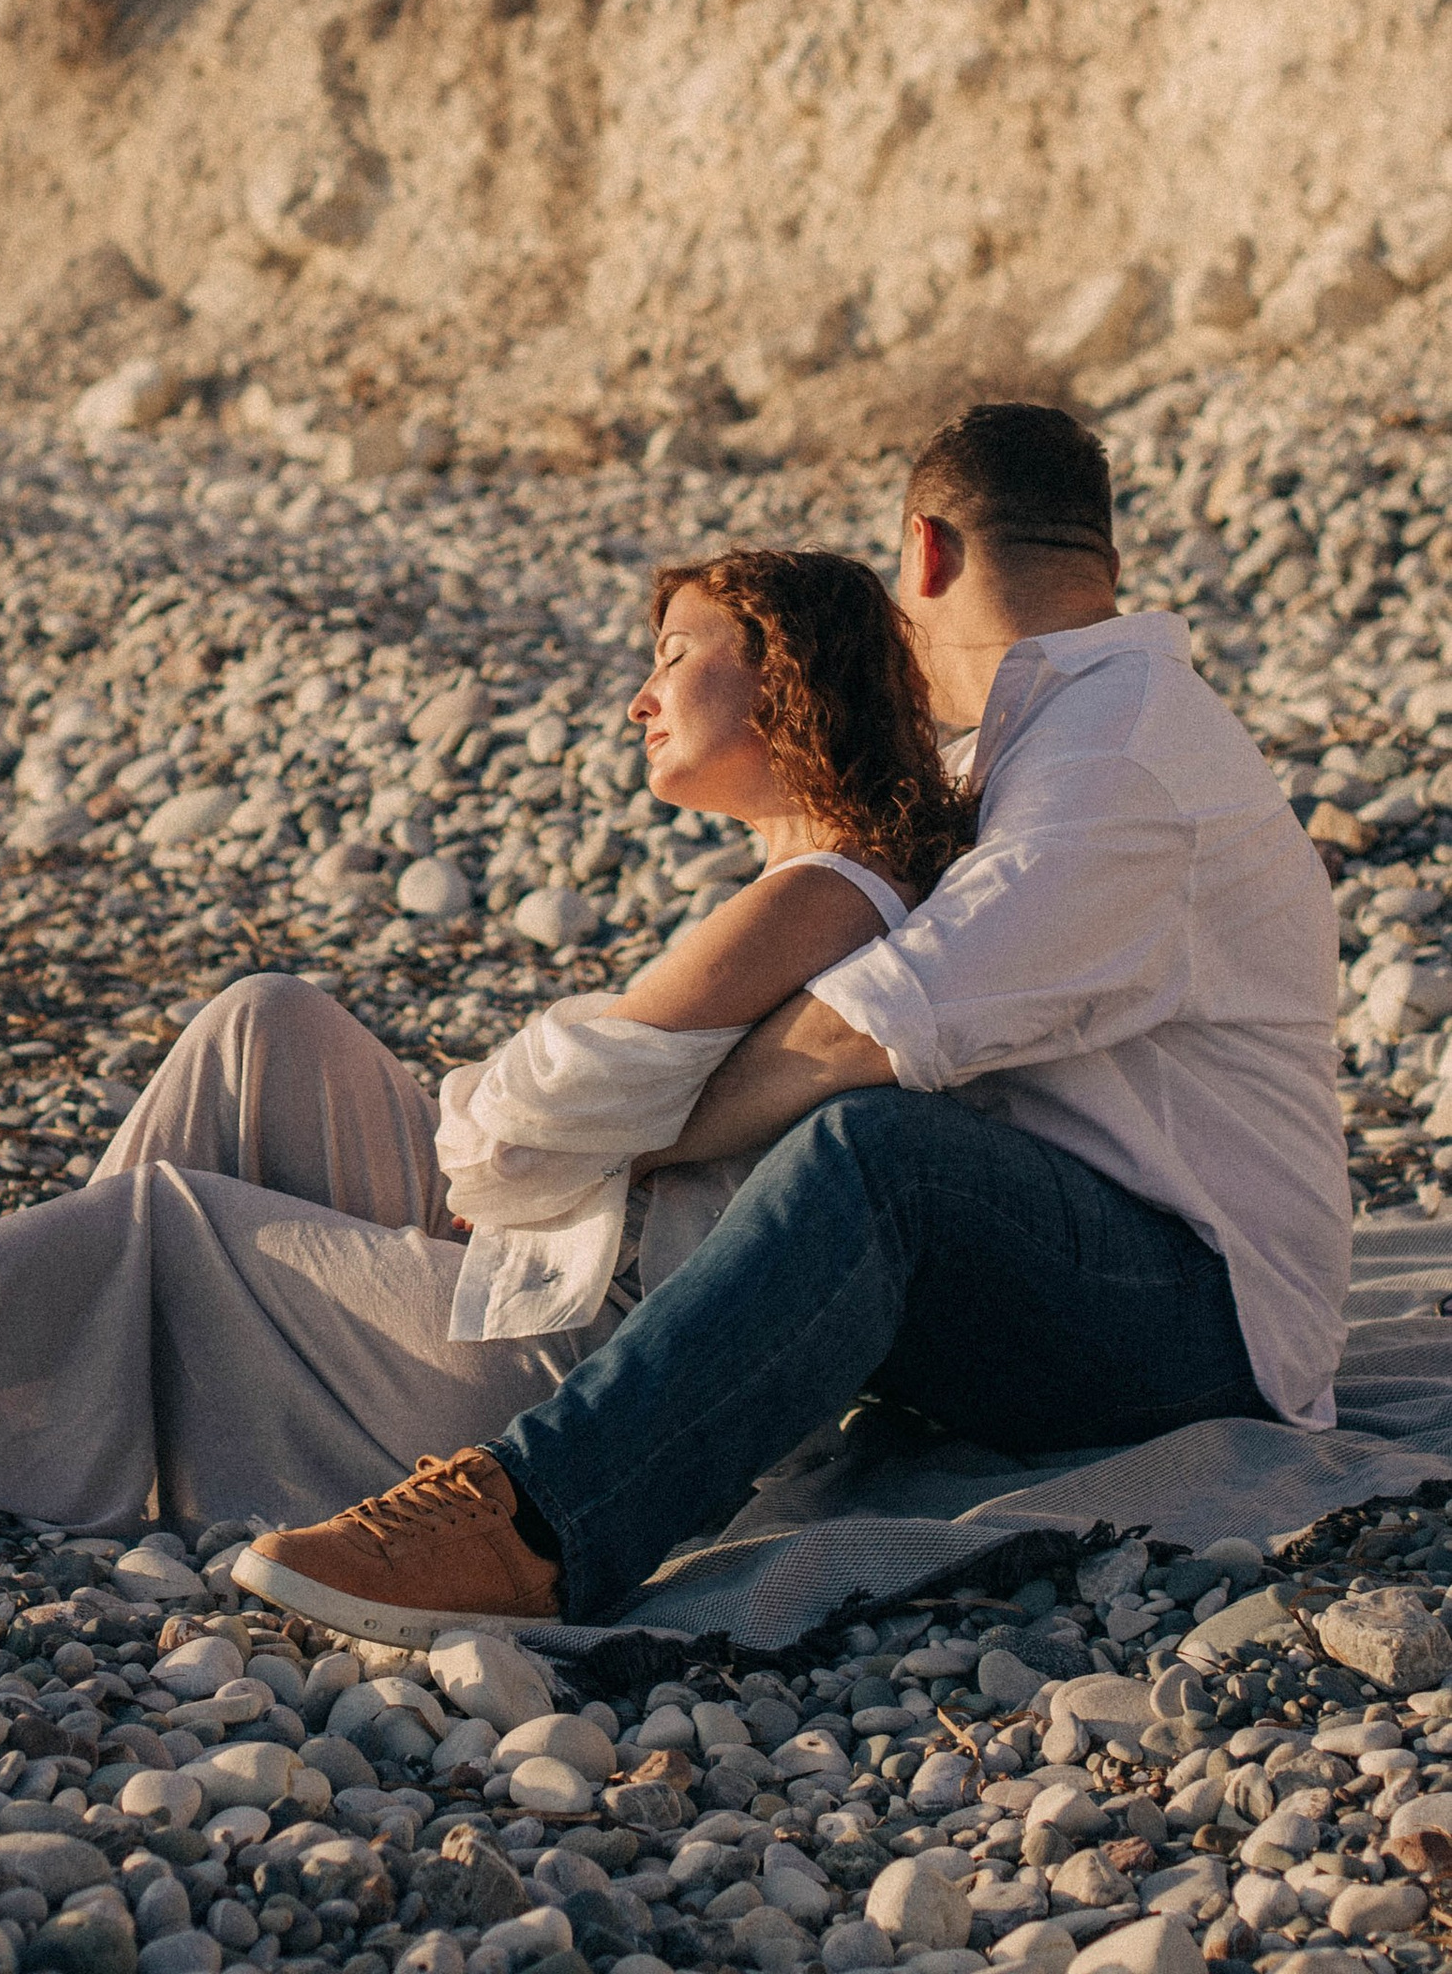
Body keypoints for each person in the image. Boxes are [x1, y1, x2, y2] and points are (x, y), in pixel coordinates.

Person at [0, 549, 968, 1530]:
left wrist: (496, 1137)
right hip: (563, 1249)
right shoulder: (810, 888)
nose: (638, 698)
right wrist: (508, 1131)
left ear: (776, 672)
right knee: (265, 1026)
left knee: (171, 1225)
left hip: (564, 1352)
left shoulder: (814, 897)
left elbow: (523, 1127)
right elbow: (550, 1119)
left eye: (678, 654)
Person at [235, 401, 1353, 1645]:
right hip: (1085, 1258)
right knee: (854, 1148)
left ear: (921, 553)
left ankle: (540, 1526)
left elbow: (865, 1031)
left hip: (1204, 1320)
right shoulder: (1046, 739)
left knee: (876, 1153)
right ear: (1101, 561)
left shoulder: (1116, 757)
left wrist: (624, 1145)